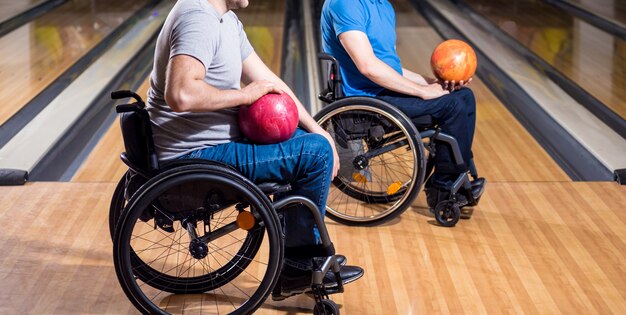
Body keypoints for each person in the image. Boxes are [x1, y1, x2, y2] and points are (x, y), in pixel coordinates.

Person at [146, 0, 363, 300]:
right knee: (314, 154)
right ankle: (298, 265)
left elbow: (269, 81)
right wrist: (243, 95)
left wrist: (318, 129)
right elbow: (180, 94)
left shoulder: (226, 20)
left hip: (211, 149)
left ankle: (296, 258)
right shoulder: (198, 17)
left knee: (309, 141)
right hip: (194, 158)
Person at [321, 0, 485, 211]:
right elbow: (368, 67)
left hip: (383, 93)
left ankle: (457, 176)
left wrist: (432, 83)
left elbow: (392, 69)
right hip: (365, 101)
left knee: (463, 96)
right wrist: (422, 91)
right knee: (452, 106)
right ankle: (443, 190)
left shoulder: (384, 7)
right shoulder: (346, 4)